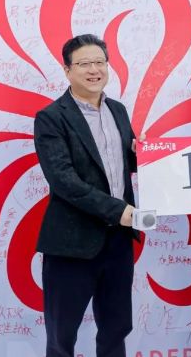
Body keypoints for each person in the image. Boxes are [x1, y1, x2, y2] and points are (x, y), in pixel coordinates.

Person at [33, 34, 138, 357]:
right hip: (72, 243)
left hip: (118, 241)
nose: (94, 70)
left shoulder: (118, 110)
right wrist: (116, 210)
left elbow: (123, 163)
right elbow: (63, 180)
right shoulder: (52, 117)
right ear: (67, 70)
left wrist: (145, 154)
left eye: (100, 62)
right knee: (62, 336)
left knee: (116, 329)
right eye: (84, 64)